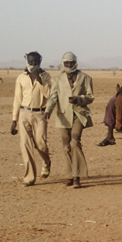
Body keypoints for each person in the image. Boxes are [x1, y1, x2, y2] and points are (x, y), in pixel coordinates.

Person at [44, 52, 94, 189]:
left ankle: (78, 176)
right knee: (66, 146)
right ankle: (69, 175)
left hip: (79, 113)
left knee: (75, 139)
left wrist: (79, 99)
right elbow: (53, 97)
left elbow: (90, 96)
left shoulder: (85, 78)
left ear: (75, 63)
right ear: (63, 63)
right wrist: (47, 111)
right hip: (63, 116)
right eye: (66, 63)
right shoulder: (57, 79)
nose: (69, 65)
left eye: (71, 63)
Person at [10, 51, 52, 186]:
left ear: (40, 62)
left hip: (40, 114)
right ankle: (29, 177)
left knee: (40, 143)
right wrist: (14, 120)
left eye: (36, 62)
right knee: (25, 145)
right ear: (26, 62)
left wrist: (38, 79)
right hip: (24, 113)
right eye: (31, 62)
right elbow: (17, 99)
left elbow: (49, 95)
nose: (33, 65)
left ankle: (46, 162)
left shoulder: (46, 77)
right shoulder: (21, 78)